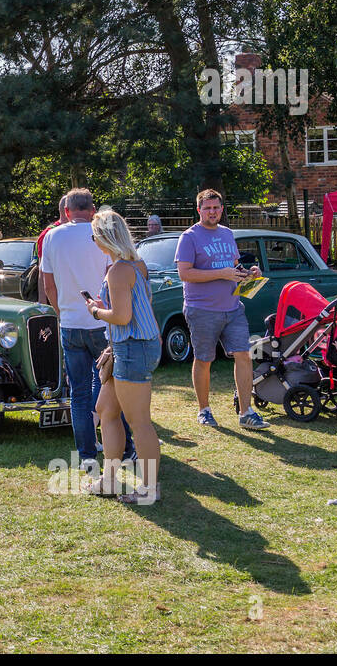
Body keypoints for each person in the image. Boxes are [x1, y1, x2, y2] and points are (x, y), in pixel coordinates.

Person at [39, 188, 134, 472]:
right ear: (92, 210)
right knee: (115, 387)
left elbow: (48, 285)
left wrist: (62, 313)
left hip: (70, 322)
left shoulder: (52, 236)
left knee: (78, 393)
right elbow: (113, 276)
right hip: (101, 322)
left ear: (67, 211)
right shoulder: (100, 234)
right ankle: (126, 449)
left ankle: (87, 456)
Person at [84, 208, 162, 503]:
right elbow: (136, 308)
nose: (93, 241)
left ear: (105, 237)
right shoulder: (135, 264)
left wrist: (95, 310)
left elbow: (121, 316)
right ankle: (109, 480)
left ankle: (150, 489)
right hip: (130, 345)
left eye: (94, 236)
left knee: (139, 421)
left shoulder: (118, 271)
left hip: (132, 347)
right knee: (106, 409)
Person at [175, 189, 267, 431]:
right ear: (199, 210)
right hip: (201, 309)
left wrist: (249, 274)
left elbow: (233, 267)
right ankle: (204, 410)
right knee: (204, 359)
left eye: (216, 207)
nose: (212, 212)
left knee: (244, 355)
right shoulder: (189, 237)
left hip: (233, 307)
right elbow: (184, 273)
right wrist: (221, 273)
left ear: (222, 209)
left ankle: (246, 412)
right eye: (207, 208)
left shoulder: (227, 233)